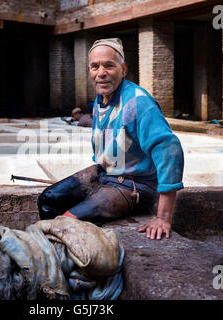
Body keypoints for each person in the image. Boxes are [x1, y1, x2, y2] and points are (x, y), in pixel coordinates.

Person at [38, 38, 184, 240]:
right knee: (48, 199)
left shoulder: (138, 102)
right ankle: (61, 257)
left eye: (109, 65)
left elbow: (170, 149)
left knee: (66, 222)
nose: (101, 73)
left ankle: (78, 261)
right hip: (105, 173)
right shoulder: (101, 101)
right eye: (95, 66)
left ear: (123, 69)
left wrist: (163, 217)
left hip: (134, 185)